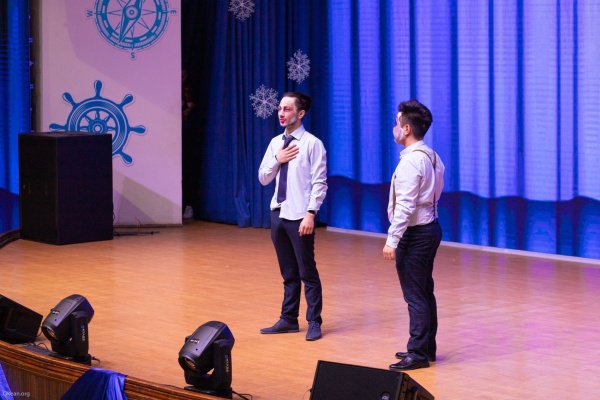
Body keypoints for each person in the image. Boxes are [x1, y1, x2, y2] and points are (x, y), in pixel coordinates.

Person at [258, 91, 327, 341]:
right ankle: (288, 319)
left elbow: (319, 182)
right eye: (279, 108)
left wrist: (310, 214)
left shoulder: (312, 144)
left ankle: (314, 321)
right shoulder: (276, 143)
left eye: (287, 109)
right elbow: (263, 178)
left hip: (300, 215)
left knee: (307, 271)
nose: (281, 113)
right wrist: (277, 159)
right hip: (279, 213)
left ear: (301, 113)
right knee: (288, 272)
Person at [383, 99, 445, 371]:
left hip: (416, 233)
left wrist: (392, 240)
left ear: (406, 128)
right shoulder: (432, 156)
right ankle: (426, 347)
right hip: (430, 228)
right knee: (424, 291)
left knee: (415, 296)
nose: (394, 128)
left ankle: (417, 353)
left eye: (396, 123)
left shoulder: (412, 161)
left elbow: (406, 205)